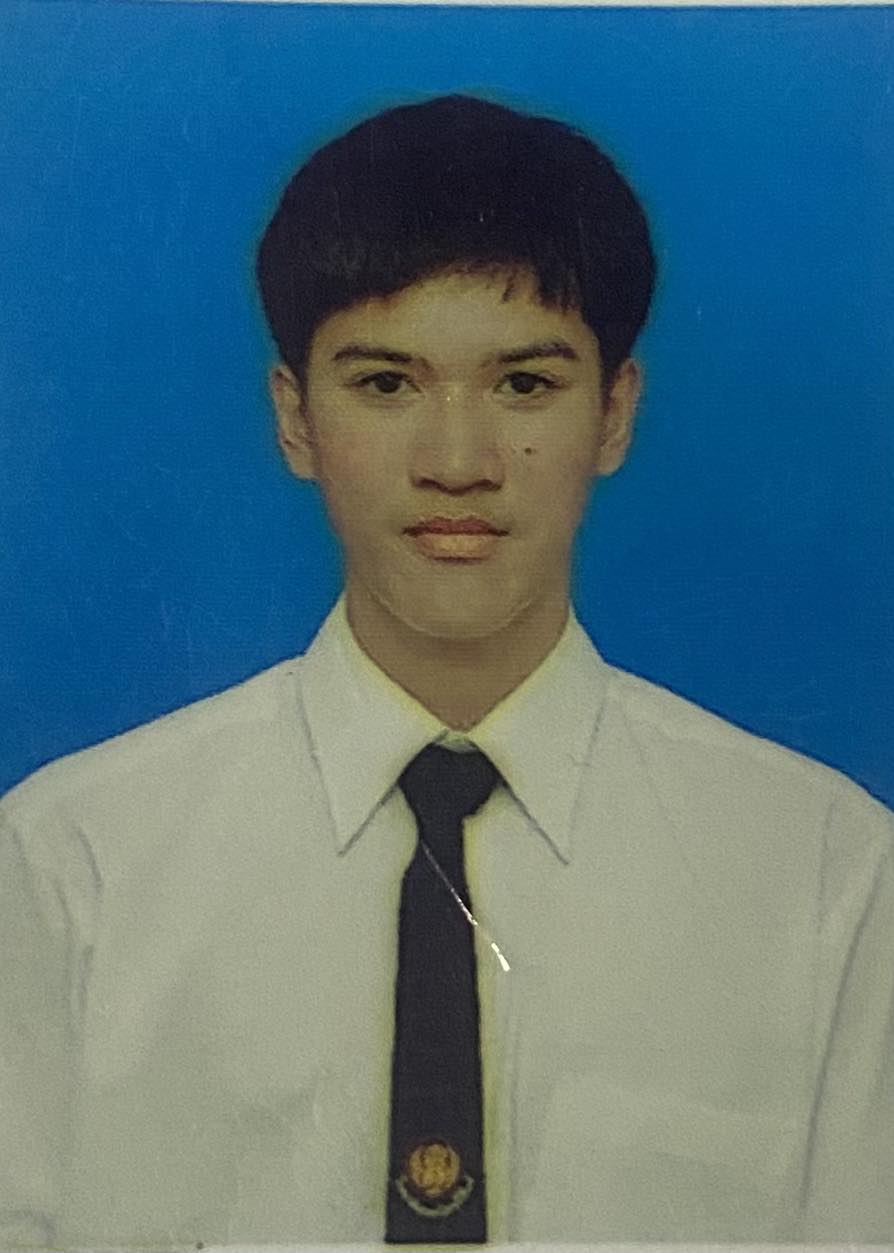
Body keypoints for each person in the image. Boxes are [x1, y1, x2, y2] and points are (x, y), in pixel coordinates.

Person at [1, 94, 892, 1250]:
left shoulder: (826, 873)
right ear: (294, 418)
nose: (459, 462)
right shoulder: (71, 864)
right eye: (386, 383)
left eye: (525, 385)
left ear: (615, 413)